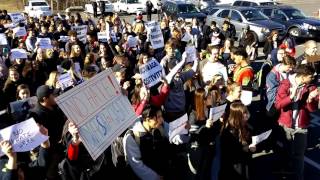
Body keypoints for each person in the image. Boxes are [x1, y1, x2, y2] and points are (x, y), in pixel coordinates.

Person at [275, 64, 318, 180]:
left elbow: (312, 109)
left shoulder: (311, 87)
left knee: (299, 155)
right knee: (285, 152)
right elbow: (278, 105)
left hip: (301, 126)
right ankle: (284, 171)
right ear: (303, 77)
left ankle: (299, 177)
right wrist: (291, 97)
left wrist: (310, 99)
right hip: (285, 124)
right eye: (311, 76)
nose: (313, 78)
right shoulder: (285, 84)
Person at [123, 105, 169, 180]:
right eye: (158, 117)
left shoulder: (159, 125)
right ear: (148, 120)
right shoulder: (131, 137)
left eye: (161, 116)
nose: (162, 120)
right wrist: (155, 177)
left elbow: (173, 133)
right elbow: (136, 164)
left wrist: (184, 130)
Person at [219, 102, 256, 180]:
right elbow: (227, 153)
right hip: (234, 167)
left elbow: (251, 141)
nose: (247, 114)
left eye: (246, 111)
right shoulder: (228, 131)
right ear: (237, 116)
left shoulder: (248, 126)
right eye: (244, 113)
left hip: (245, 163)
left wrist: (253, 146)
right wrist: (243, 149)